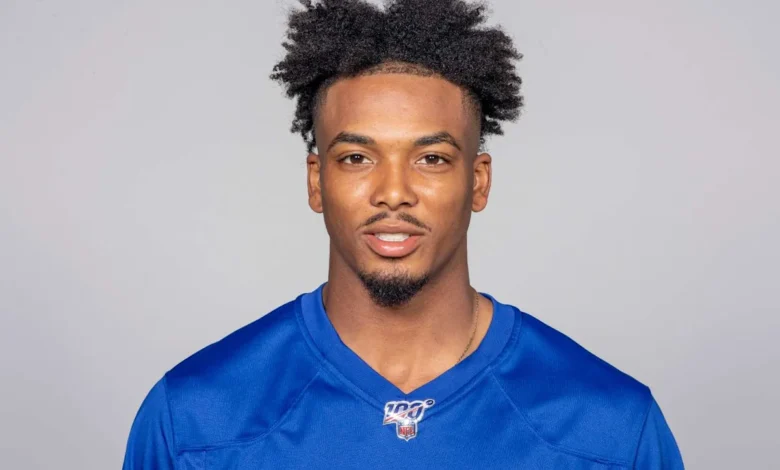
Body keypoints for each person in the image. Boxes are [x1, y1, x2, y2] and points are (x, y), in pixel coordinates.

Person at [123, 0, 684, 468]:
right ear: (317, 182)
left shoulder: (610, 428)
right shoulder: (194, 419)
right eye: (357, 157)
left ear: (478, 182)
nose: (394, 192)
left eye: (432, 158)